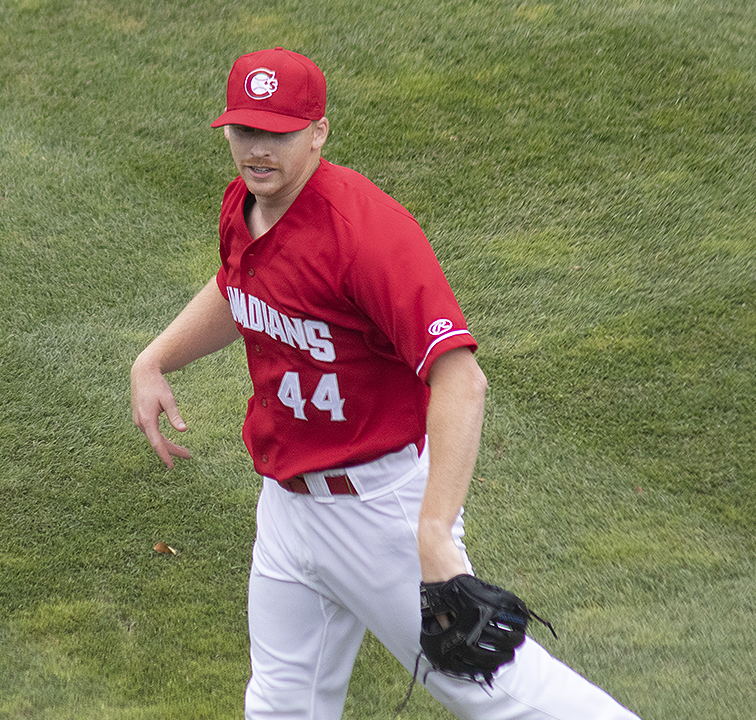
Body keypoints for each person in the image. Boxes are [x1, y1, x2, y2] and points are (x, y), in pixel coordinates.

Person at [131, 47, 640, 720]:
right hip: (287, 508)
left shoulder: (366, 234)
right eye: (244, 130)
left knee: (499, 692)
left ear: (317, 132)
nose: (257, 149)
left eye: (278, 132)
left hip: (378, 513)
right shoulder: (245, 205)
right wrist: (156, 358)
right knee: (282, 705)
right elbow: (243, 288)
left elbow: (462, 380)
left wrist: (434, 534)